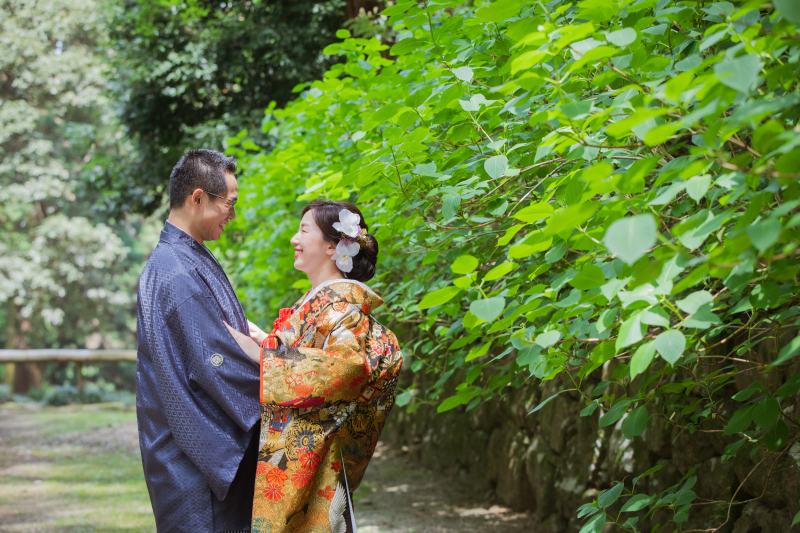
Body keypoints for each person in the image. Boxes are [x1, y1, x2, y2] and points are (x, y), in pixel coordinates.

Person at [225, 199, 404, 533]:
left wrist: (262, 356)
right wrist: (268, 340)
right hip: (305, 452)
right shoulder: (324, 303)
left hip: (319, 454)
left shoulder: (340, 309)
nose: (294, 239)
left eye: (303, 230)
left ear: (333, 247)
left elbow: (345, 369)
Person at [136, 149, 261, 532]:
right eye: (229, 204)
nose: (233, 215)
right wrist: (289, 376)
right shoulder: (175, 270)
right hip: (195, 456)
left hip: (186, 442)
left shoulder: (181, 257)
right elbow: (213, 361)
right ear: (197, 198)